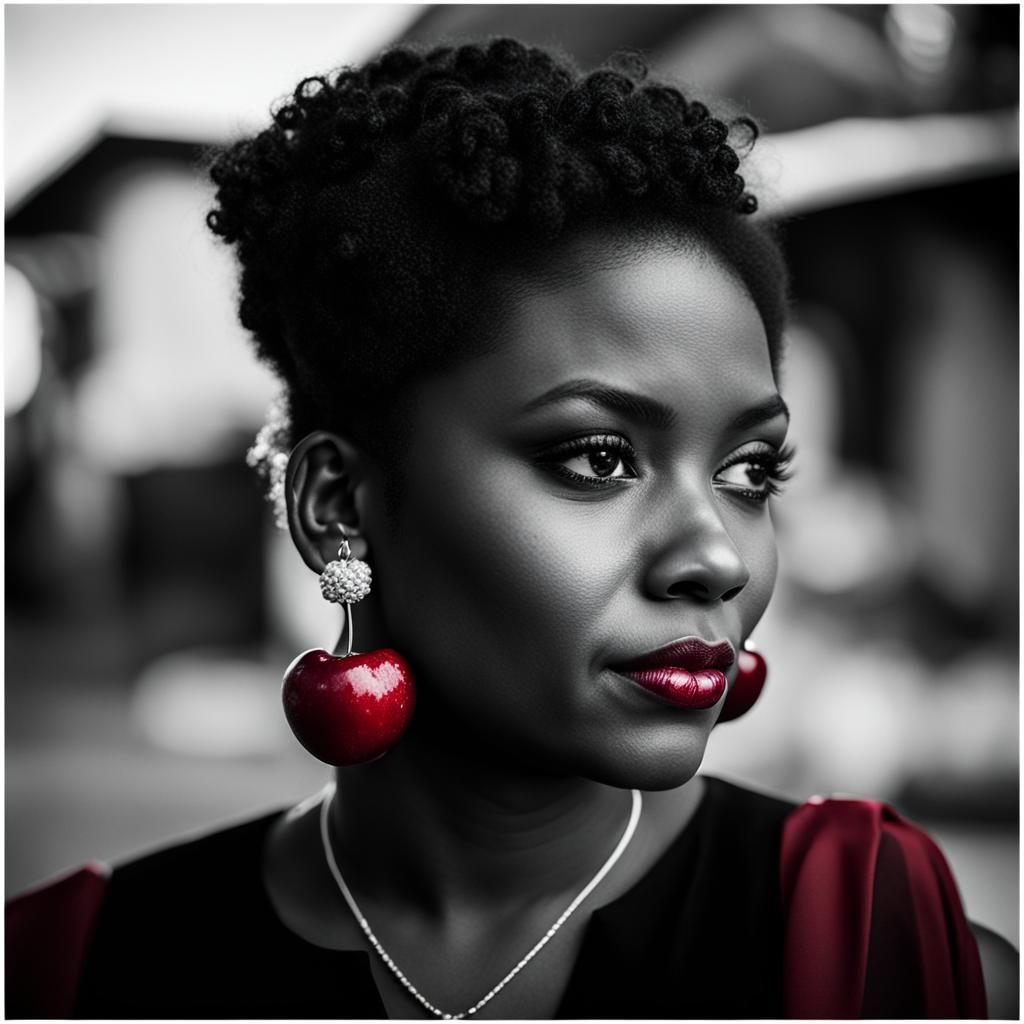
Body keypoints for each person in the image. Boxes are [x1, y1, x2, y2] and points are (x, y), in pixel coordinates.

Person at [6, 37, 1017, 1019]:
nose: (715, 555)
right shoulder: (69, 975)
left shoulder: (874, 956)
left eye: (750, 470)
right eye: (599, 457)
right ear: (337, 506)